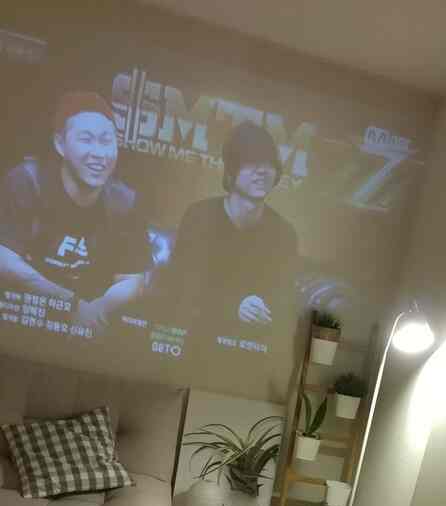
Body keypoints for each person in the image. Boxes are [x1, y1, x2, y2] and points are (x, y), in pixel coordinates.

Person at [0, 91, 150, 332]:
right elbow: (4, 259)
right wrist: (68, 303)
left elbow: (133, 279)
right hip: (22, 315)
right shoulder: (27, 181)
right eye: (86, 140)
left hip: (88, 325)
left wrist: (98, 309)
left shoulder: (125, 202)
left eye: (106, 141)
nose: (99, 154)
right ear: (60, 144)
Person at [169, 121, 298, 339]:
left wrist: (267, 311)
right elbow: (182, 285)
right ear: (231, 169)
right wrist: (233, 307)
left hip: (255, 341)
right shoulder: (199, 217)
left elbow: (285, 301)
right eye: (251, 162)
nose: (262, 171)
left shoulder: (284, 234)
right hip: (198, 336)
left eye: (269, 164)